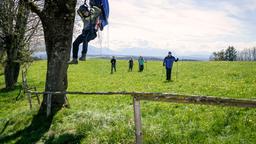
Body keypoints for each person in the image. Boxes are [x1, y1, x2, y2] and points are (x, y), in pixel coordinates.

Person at [69, 0, 109, 64]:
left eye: (86, 11)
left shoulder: (93, 16)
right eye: (84, 12)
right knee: (75, 43)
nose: (85, 13)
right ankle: (74, 59)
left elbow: (99, 11)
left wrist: (94, 5)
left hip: (92, 32)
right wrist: (83, 5)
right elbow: (79, 12)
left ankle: (83, 55)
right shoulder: (84, 18)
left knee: (85, 40)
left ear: (88, 11)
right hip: (84, 33)